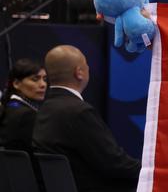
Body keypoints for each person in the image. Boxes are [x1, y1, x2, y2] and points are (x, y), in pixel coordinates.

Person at [33, 45, 141, 192]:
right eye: (86, 64)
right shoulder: (79, 112)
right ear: (79, 72)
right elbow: (114, 164)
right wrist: (150, 170)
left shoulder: (45, 108)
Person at [0, 59, 47, 152]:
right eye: (35, 79)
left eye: (45, 79)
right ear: (16, 83)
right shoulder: (26, 114)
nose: (43, 84)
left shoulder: (9, 106)